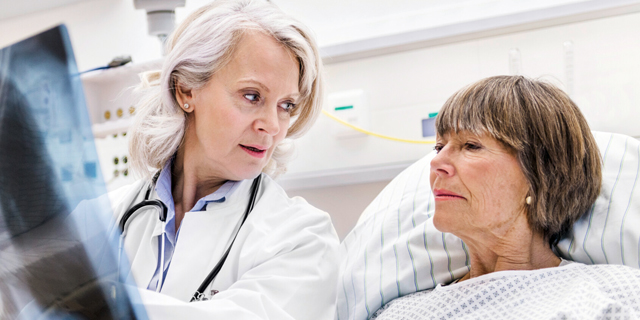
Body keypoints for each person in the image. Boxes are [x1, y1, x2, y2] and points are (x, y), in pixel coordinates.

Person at [109, 0, 339, 318]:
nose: (272, 126)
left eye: (286, 105)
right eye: (252, 96)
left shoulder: (303, 238)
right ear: (186, 90)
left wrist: (93, 300)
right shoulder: (98, 218)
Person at [370, 76, 640, 319]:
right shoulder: (400, 312)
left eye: (471, 145)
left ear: (539, 174)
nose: (436, 162)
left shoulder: (614, 295)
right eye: (439, 146)